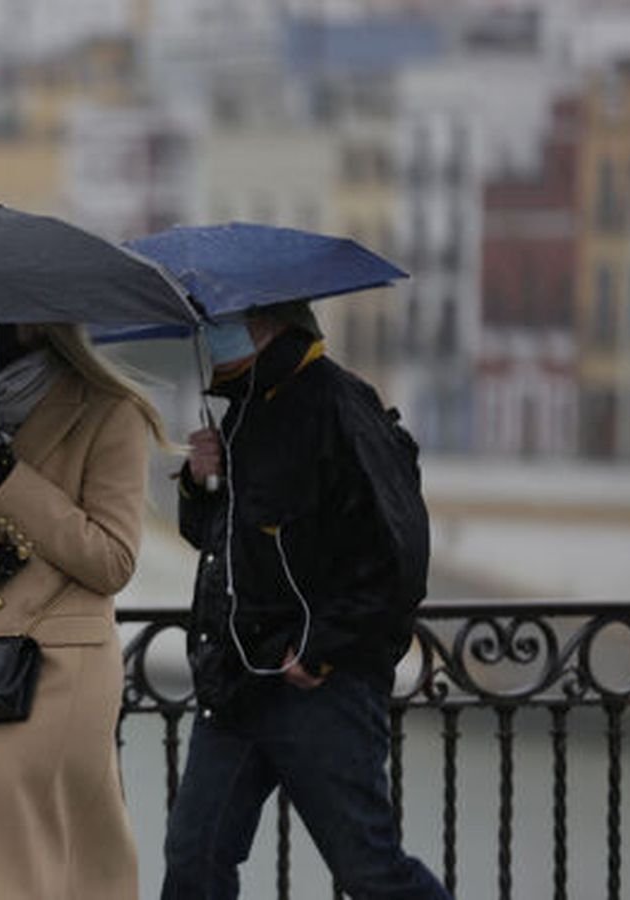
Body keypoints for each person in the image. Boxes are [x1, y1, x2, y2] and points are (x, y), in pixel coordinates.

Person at [161, 302, 449, 900]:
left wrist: (318, 650)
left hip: (318, 688)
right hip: (236, 683)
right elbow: (220, 539)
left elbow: (400, 555)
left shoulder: (342, 405)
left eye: (225, 323)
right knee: (195, 859)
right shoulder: (241, 413)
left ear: (271, 325)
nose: (213, 336)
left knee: (371, 872)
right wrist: (197, 481)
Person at [0, 322, 170, 900]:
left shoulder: (108, 411)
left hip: (62, 672)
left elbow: (113, 560)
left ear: (41, 322)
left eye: (0, 313)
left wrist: (13, 482)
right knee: (78, 865)